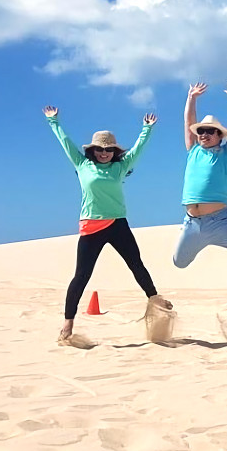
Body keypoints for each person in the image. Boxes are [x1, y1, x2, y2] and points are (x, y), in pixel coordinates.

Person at [43, 106, 172, 343]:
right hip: (91, 226)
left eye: (109, 149)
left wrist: (146, 129)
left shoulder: (120, 167)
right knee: (81, 275)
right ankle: (67, 324)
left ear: (114, 151)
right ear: (93, 150)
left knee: (136, 264)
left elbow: (138, 149)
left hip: (117, 224)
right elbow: (66, 143)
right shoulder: (82, 165)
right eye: (100, 149)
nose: (104, 153)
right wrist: (54, 122)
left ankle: (156, 300)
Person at [173, 78, 227, 269]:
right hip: (192, 223)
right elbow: (188, 122)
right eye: (201, 130)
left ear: (220, 135)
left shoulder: (226, 154)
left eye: (210, 131)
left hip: (220, 221)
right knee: (178, 263)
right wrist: (191, 98)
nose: (204, 134)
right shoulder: (193, 150)